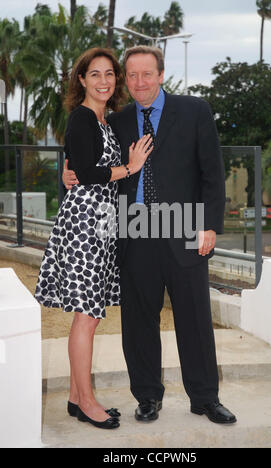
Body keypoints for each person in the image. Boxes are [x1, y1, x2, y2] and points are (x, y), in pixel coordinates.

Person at [63, 46, 236, 425]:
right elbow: (83, 151)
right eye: (132, 75)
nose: (139, 83)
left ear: (161, 74)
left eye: (147, 74)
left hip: (185, 227)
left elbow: (212, 171)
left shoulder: (195, 111)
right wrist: (67, 170)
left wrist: (209, 225)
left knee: (194, 318)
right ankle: (147, 397)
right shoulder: (116, 119)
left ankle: (205, 398)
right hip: (133, 230)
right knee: (139, 321)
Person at [35, 47, 153, 430]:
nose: (104, 81)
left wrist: (71, 171)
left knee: (91, 315)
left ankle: (74, 395)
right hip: (86, 223)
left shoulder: (103, 119)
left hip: (100, 223)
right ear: (81, 80)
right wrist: (130, 167)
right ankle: (86, 402)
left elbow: (74, 165)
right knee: (86, 317)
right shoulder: (82, 117)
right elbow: (85, 172)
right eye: (95, 74)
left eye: (109, 74)